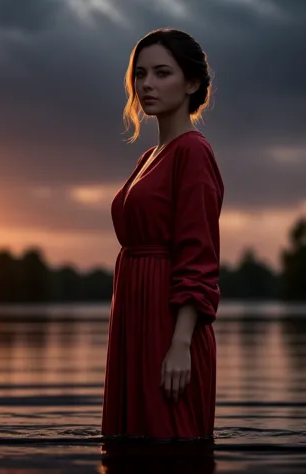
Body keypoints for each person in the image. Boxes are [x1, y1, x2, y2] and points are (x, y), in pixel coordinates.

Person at [101, 28, 224, 440]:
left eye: (162, 73)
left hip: (169, 327)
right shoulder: (149, 156)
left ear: (191, 83)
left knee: (169, 444)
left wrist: (180, 344)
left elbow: (199, 255)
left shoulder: (193, 152)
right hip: (134, 317)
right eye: (140, 74)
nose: (147, 84)